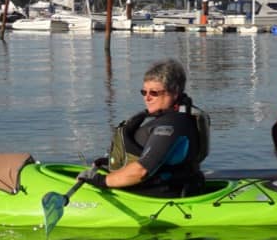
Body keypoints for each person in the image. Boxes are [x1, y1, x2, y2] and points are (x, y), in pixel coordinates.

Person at [77, 58, 209, 197]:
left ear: (174, 93)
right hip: (166, 188)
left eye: (154, 93)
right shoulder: (171, 118)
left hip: (161, 196)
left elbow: (141, 171)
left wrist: (101, 181)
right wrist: (109, 162)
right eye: (144, 92)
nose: (147, 98)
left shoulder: (171, 125)